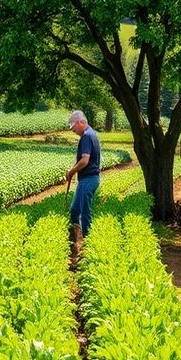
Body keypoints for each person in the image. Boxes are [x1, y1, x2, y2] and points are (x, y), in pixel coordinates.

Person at [65, 109, 101, 254]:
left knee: (85, 212)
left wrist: (72, 172)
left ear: (81, 122)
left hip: (88, 179)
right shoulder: (90, 134)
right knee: (75, 210)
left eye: (74, 128)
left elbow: (85, 160)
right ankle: (76, 241)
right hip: (87, 179)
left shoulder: (87, 136)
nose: (74, 131)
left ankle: (87, 244)